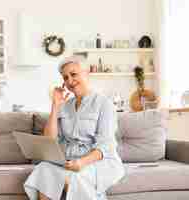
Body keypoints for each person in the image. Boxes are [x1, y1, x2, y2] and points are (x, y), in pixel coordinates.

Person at [24, 56, 125, 200]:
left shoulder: (104, 103)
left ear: (86, 73)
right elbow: (50, 140)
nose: (69, 81)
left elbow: (106, 145)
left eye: (74, 74)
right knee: (43, 169)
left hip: (98, 161)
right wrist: (55, 106)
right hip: (70, 160)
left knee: (75, 178)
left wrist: (81, 162)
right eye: (65, 78)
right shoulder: (64, 106)